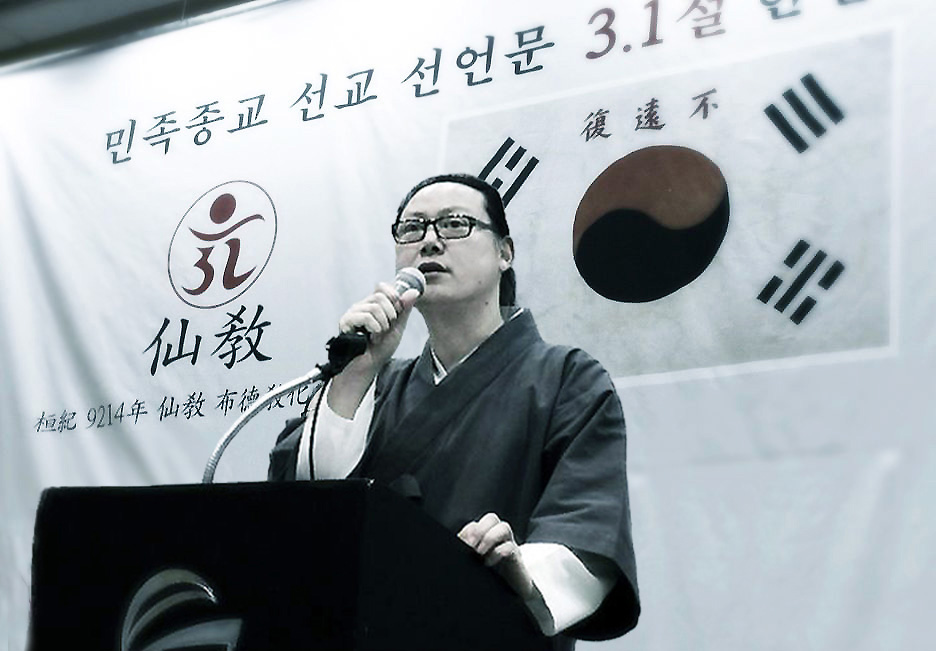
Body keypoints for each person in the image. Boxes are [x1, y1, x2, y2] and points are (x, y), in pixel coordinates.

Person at [268, 174, 639, 649]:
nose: (429, 241)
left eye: (454, 224)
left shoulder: (567, 379)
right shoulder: (372, 382)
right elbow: (308, 507)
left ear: (505, 252)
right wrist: (355, 374)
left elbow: (588, 522)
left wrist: (521, 569)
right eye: (412, 228)